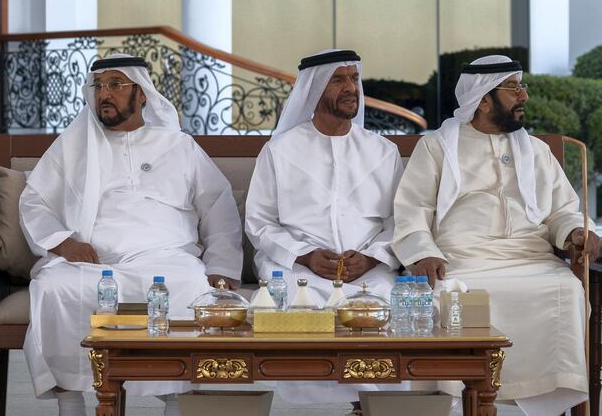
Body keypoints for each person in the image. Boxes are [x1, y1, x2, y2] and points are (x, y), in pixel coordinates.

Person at [20, 54, 243, 416]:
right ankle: (70, 402)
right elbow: (34, 202)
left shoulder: (178, 146)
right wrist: (64, 243)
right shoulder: (73, 145)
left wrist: (222, 266)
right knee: (52, 287)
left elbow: (218, 206)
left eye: (116, 85)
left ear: (142, 95)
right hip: (93, 264)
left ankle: (175, 402)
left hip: (165, 259)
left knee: (187, 282)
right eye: (99, 86)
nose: (105, 94)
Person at [393, 55, 600, 416]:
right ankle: (460, 397)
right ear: (483, 99)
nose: (524, 96)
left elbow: (562, 210)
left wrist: (575, 232)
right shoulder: (438, 147)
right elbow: (412, 210)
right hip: (462, 260)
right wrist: (423, 252)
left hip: (531, 258)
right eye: (514, 88)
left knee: (567, 288)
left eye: (523, 87)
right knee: (448, 292)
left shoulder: (535, 150)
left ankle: (553, 393)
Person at [246, 49, 405, 411]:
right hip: (297, 269)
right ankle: (310, 409)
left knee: (387, 311)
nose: (351, 87)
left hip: (368, 272)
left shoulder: (383, 151)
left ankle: (370, 406)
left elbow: (401, 221)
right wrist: (304, 255)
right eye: (339, 79)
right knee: (287, 312)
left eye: (354, 78)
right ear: (314, 89)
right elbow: (259, 221)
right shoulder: (280, 150)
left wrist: (371, 257)